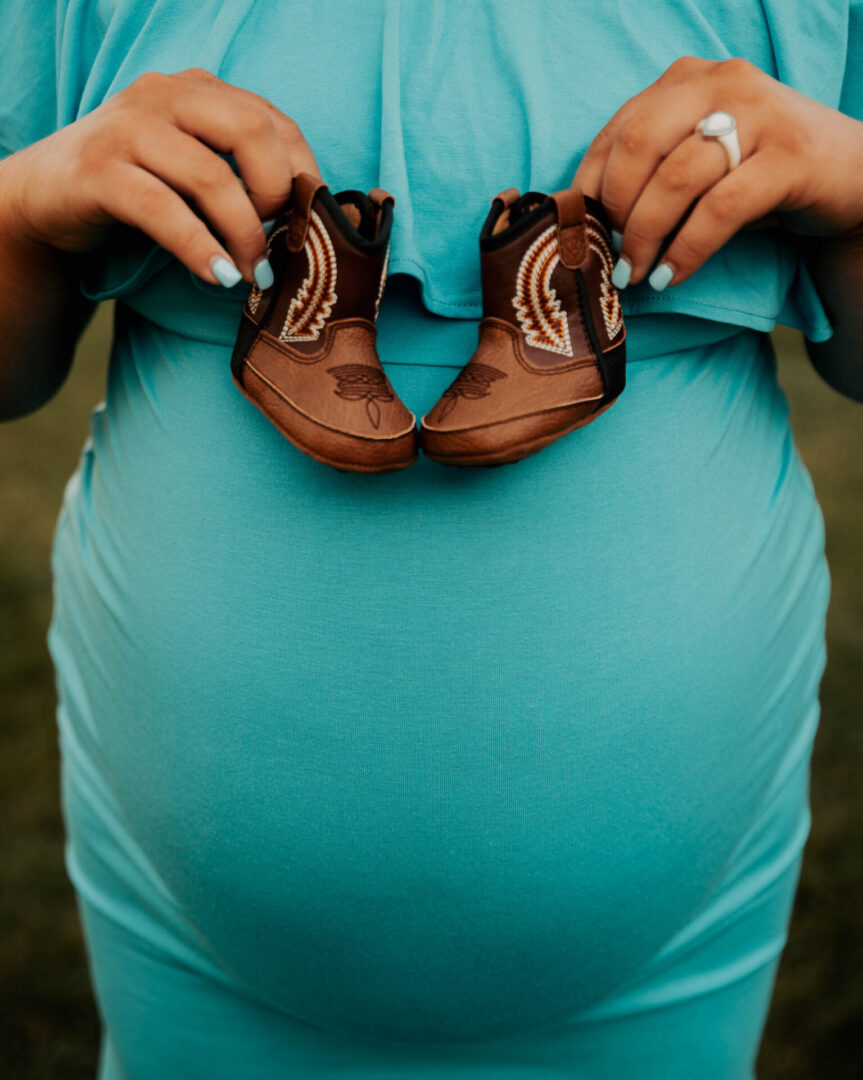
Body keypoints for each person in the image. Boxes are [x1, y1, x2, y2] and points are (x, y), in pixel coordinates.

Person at [1, 1, 861, 1076]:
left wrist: (850, 176)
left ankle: (545, 289)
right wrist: (26, 205)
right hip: (186, 928)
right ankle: (323, 281)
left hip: (674, 929)